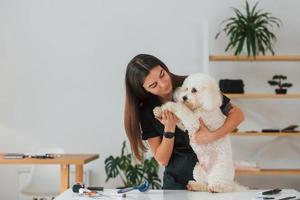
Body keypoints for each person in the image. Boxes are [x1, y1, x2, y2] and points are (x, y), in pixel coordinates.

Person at [124, 54, 245, 190]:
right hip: (176, 185)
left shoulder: (192, 84)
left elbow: (238, 114)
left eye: (162, 75)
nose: (164, 84)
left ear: (164, 67)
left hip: (213, 179)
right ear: (144, 90)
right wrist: (169, 128)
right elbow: (162, 159)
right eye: (154, 85)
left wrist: (211, 136)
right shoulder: (148, 111)